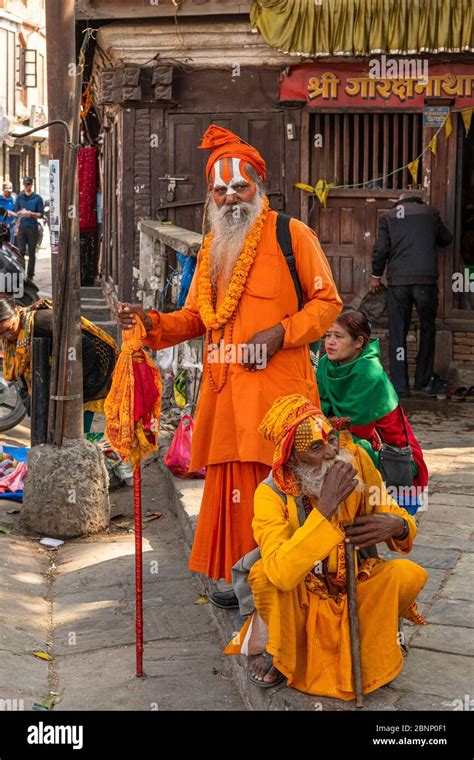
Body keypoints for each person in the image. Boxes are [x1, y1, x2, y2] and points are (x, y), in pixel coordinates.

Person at [116, 125, 342, 606]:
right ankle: (238, 579)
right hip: (224, 397)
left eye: (240, 186)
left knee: (281, 483)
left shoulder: (291, 235)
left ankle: (279, 583)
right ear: (210, 197)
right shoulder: (213, 248)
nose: (229, 197)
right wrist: (150, 321)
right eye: (219, 189)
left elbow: (327, 303)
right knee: (233, 487)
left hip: (279, 395)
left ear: (258, 186)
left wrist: (281, 331)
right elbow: (197, 317)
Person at [226, 394, 428, 698]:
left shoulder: (355, 461)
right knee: (264, 576)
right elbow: (281, 573)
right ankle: (282, 651)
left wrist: (397, 526)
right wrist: (327, 506)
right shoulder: (270, 493)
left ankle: (375, 641)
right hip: (303, 600)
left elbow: (398, 515)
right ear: (291, 456)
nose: (332, 452)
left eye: (332, 439)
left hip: (354, 588)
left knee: (406, 574)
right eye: (316, 448)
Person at [317, 310, 428, 510]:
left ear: (359, 342)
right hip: (348, 438)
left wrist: (332, 420)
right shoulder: (326, 364)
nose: (330, 342)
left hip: (392, 456)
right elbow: (319, 404)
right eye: (328, 335)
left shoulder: (369, 372)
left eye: (339, 336)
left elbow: (359, 429)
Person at [369, 193, 452, 398]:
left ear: (400, 201)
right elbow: (446, 239)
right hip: (426, 281)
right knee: (427, 328)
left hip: (398, 283)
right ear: (418, 201)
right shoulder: (430, 213)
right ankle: (422, 380)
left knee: (398, 333)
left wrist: (376, 276)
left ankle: (400, 386)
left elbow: (380, 250)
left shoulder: (388, 216)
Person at [0, 298, 117, 433]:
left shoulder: (43, 323)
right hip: (64, 368)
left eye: (9, 329)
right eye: (1, 334)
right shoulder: (19, 332)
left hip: (92, 365)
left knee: (74, 424)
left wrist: (67, 383)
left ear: (16, 312)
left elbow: (87, 348)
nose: (8, 336)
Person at [14, 177, 44, 280]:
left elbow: (40, 214)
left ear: (31, 185)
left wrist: (31, 213)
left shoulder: (37, 198)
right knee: (20, 252)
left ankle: (30, 275)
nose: (26, 186)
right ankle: (21, 273)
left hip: (32, 228)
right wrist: (16, 228)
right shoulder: (19, 198)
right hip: (22, 228)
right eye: (25, 184)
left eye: (28, 184)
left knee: (32, 252)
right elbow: (16, 213)